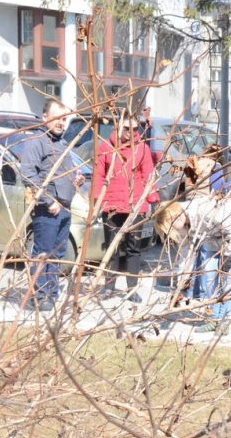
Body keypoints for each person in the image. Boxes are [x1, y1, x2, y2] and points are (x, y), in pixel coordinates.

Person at [154, 196, 231, 334]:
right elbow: (185, 253)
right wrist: (182, 281)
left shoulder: (203, 210)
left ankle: (224, 322)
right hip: (215, 237)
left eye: (171, 226)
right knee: (209, 274)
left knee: (229, 279)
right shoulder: (183, 223)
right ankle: (214, 319)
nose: (172, 230)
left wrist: (227, 256)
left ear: (176, 217)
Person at [19, 100, 84, 312]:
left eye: (64, 119)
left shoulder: (61, 143)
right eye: (57, 118)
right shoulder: (36, 142)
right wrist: (49, 201)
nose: (61, 123)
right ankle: (39, 297)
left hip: (64, 208)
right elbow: (28, 175)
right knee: (43, 254)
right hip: (47, 210)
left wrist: (76, 180)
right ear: (45, 117)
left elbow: (62, 174)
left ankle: (51, 294)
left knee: (58, 254)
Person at [92, 113, 159, 303]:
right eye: (127, 128)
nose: (131, 133)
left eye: (135, 129)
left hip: (135, 206)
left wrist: (153, 198)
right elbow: (98, 175)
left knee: (133, 249)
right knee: (111, 247)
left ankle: (131, 288)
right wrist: (97, 200)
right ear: (118, 128)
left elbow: (148, 175)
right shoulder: (106, 147)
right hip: (112, 206)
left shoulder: (142, 149)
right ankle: (108, 287)